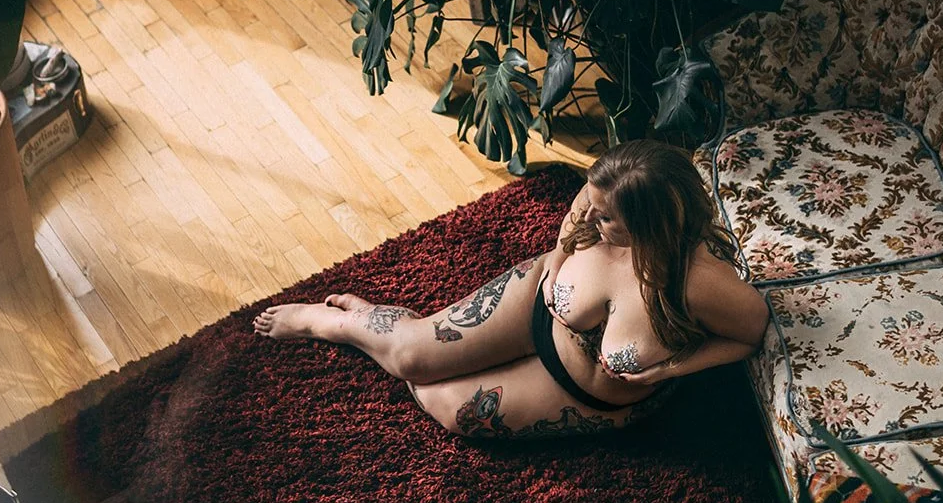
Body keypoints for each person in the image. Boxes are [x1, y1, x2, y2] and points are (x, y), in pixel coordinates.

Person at [253, 140, 769, 438]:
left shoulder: (699, 282)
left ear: (650, 225)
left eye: (605, 217)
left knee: (450, 407)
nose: (587, 213)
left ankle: (398, 327)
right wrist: (558, 263)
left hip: (590, 393)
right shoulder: (599, 202)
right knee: (409, 359)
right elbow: (576, 218)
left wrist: (670, 368)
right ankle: (342, 322)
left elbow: (750, 334)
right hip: (537, 307)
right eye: (590, 200)